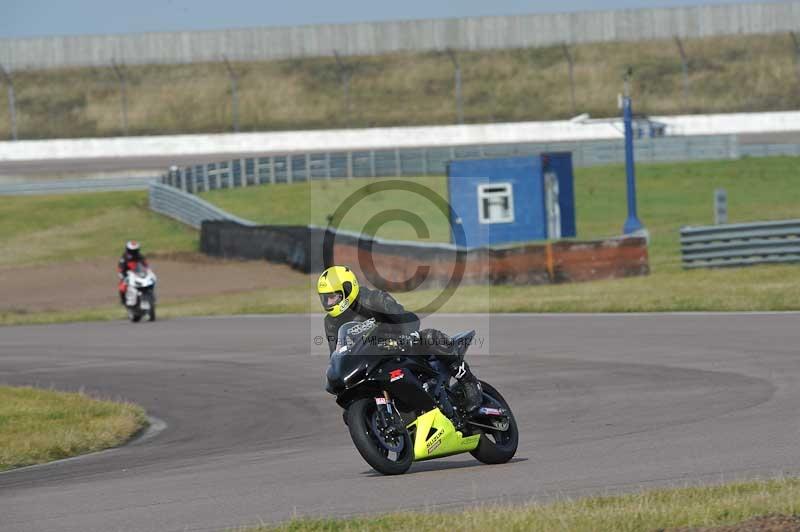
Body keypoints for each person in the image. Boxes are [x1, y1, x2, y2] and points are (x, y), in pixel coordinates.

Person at [317, 265, 482, 412]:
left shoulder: (374, 299)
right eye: (325, 298)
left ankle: (468, 381)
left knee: (429, 337)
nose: (329, 302)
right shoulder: (331, 322)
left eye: (333, 296)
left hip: (399, 344)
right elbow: (337, 352)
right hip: (372, 359)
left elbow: (406, 319)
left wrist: (404, 336)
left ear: (348, 289)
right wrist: (336, 374)